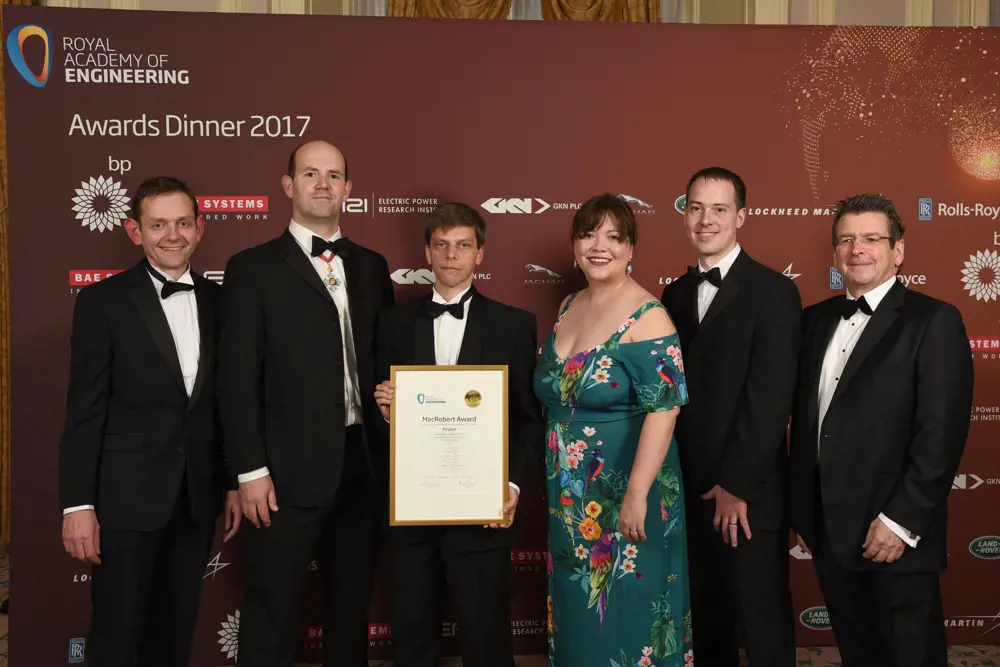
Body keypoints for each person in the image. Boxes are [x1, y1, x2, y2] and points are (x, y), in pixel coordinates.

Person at [217, 140, 394, 667]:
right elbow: (236, 378)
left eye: (334, 174)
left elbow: (384, 361)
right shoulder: (251, 268)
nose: (323, 183)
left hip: (361, 464)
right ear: (288, 185)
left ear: (348, 189)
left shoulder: (372, 266)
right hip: (283, 473)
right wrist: (249, 470)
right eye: (310, 173)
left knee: (349, 605)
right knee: (272, 608)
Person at [58, 176, 241, 667]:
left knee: (175, 633)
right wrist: (77, 504)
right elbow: (85, 410)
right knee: (117, 634)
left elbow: (223, 405)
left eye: (183, 223)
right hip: (123, 501)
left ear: (201, 229)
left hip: (196, 498)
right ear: (134, 231)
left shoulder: (222, 303)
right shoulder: (102, 302)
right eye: (158, 224)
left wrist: (228, 482)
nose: (172, 235)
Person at [788, 194, 973, 667]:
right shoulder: (813, 321)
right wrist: (806, 511)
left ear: (898, 250)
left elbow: (941, 434)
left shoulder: (934, 320)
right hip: (830, 533)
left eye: (872, 238)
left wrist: (900, 521)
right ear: (835, 253)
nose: (858, 250)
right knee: (859, 655)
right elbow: (808, 426)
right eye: (847, 239)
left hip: (895, 536)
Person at [372, 202, 544, 667]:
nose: (451, 255)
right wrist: (387, 412)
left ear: (480, 254)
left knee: (487, 638)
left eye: (463, 245)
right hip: (411, 513)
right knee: (411, 638)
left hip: (482, 512)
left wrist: (509, 486)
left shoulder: (514, 325)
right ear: (426, 251)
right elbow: (376, 420)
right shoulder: (391, 325)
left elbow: (528, 419)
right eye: (442, 245)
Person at [534, 194, 691, 666]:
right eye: (588, 234)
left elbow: (665, 411)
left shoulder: (649, 317)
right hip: (571, 495)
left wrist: (638, 493)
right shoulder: (568, 304)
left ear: (630, 249)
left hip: (627, 487)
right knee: (579, 604)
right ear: (575, 244)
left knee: (628, 606)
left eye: (613, 237)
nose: (599, 246)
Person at [660, 167, 799, 667]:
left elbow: (770, 399)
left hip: (747, 492)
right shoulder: (674, 294)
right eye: (695, 207)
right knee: (707, 619)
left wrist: (735, 485)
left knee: (760, 622)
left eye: (719, 209)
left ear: (741, 216)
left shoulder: (774, 292)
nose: (705, 219)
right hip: (689, 488)